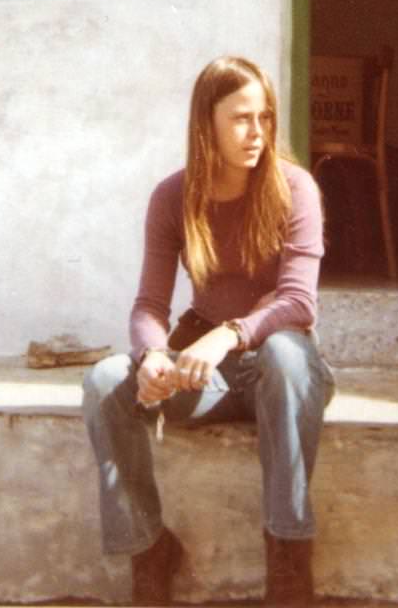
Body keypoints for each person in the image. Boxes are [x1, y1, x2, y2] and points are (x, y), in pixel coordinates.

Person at [82, 56, 335, 607]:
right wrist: (152, 356)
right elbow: (149, 304)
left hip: (282, 370)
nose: (257, 133)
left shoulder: (296, 189)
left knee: (287, 356)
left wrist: (226, 334)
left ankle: (288, 556)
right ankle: (148, 549)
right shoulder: (172, 197)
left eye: (265, 117)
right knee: (104, 382)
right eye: (241, 118)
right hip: (209, 378)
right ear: (207, 124)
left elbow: (297, 302)